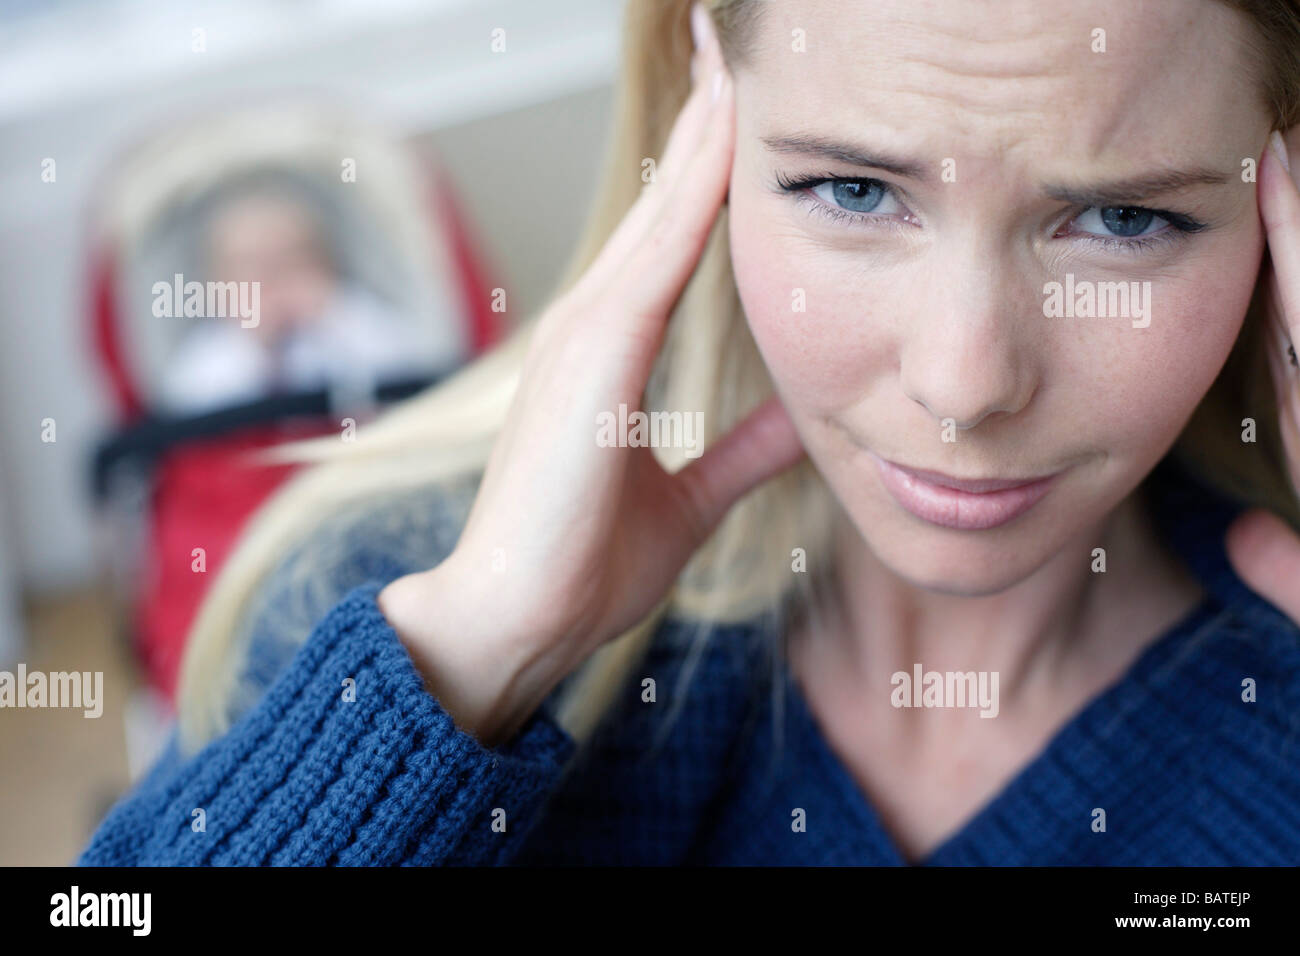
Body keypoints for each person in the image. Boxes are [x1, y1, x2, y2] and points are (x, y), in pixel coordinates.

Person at [81, 0, 1300, 866]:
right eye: (855, 191)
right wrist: (470, 658)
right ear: (702, 99)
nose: (963, 383)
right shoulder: (386, 595)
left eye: (1123, 219)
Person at [157, 180, 441, 415]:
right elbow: (185, 408)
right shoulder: (215, 350)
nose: (271, 275)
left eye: (293, 257)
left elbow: (410, 365)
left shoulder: (351, 316)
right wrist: (256, 347)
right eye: (247, 265)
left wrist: (334, 316)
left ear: (327, 263)